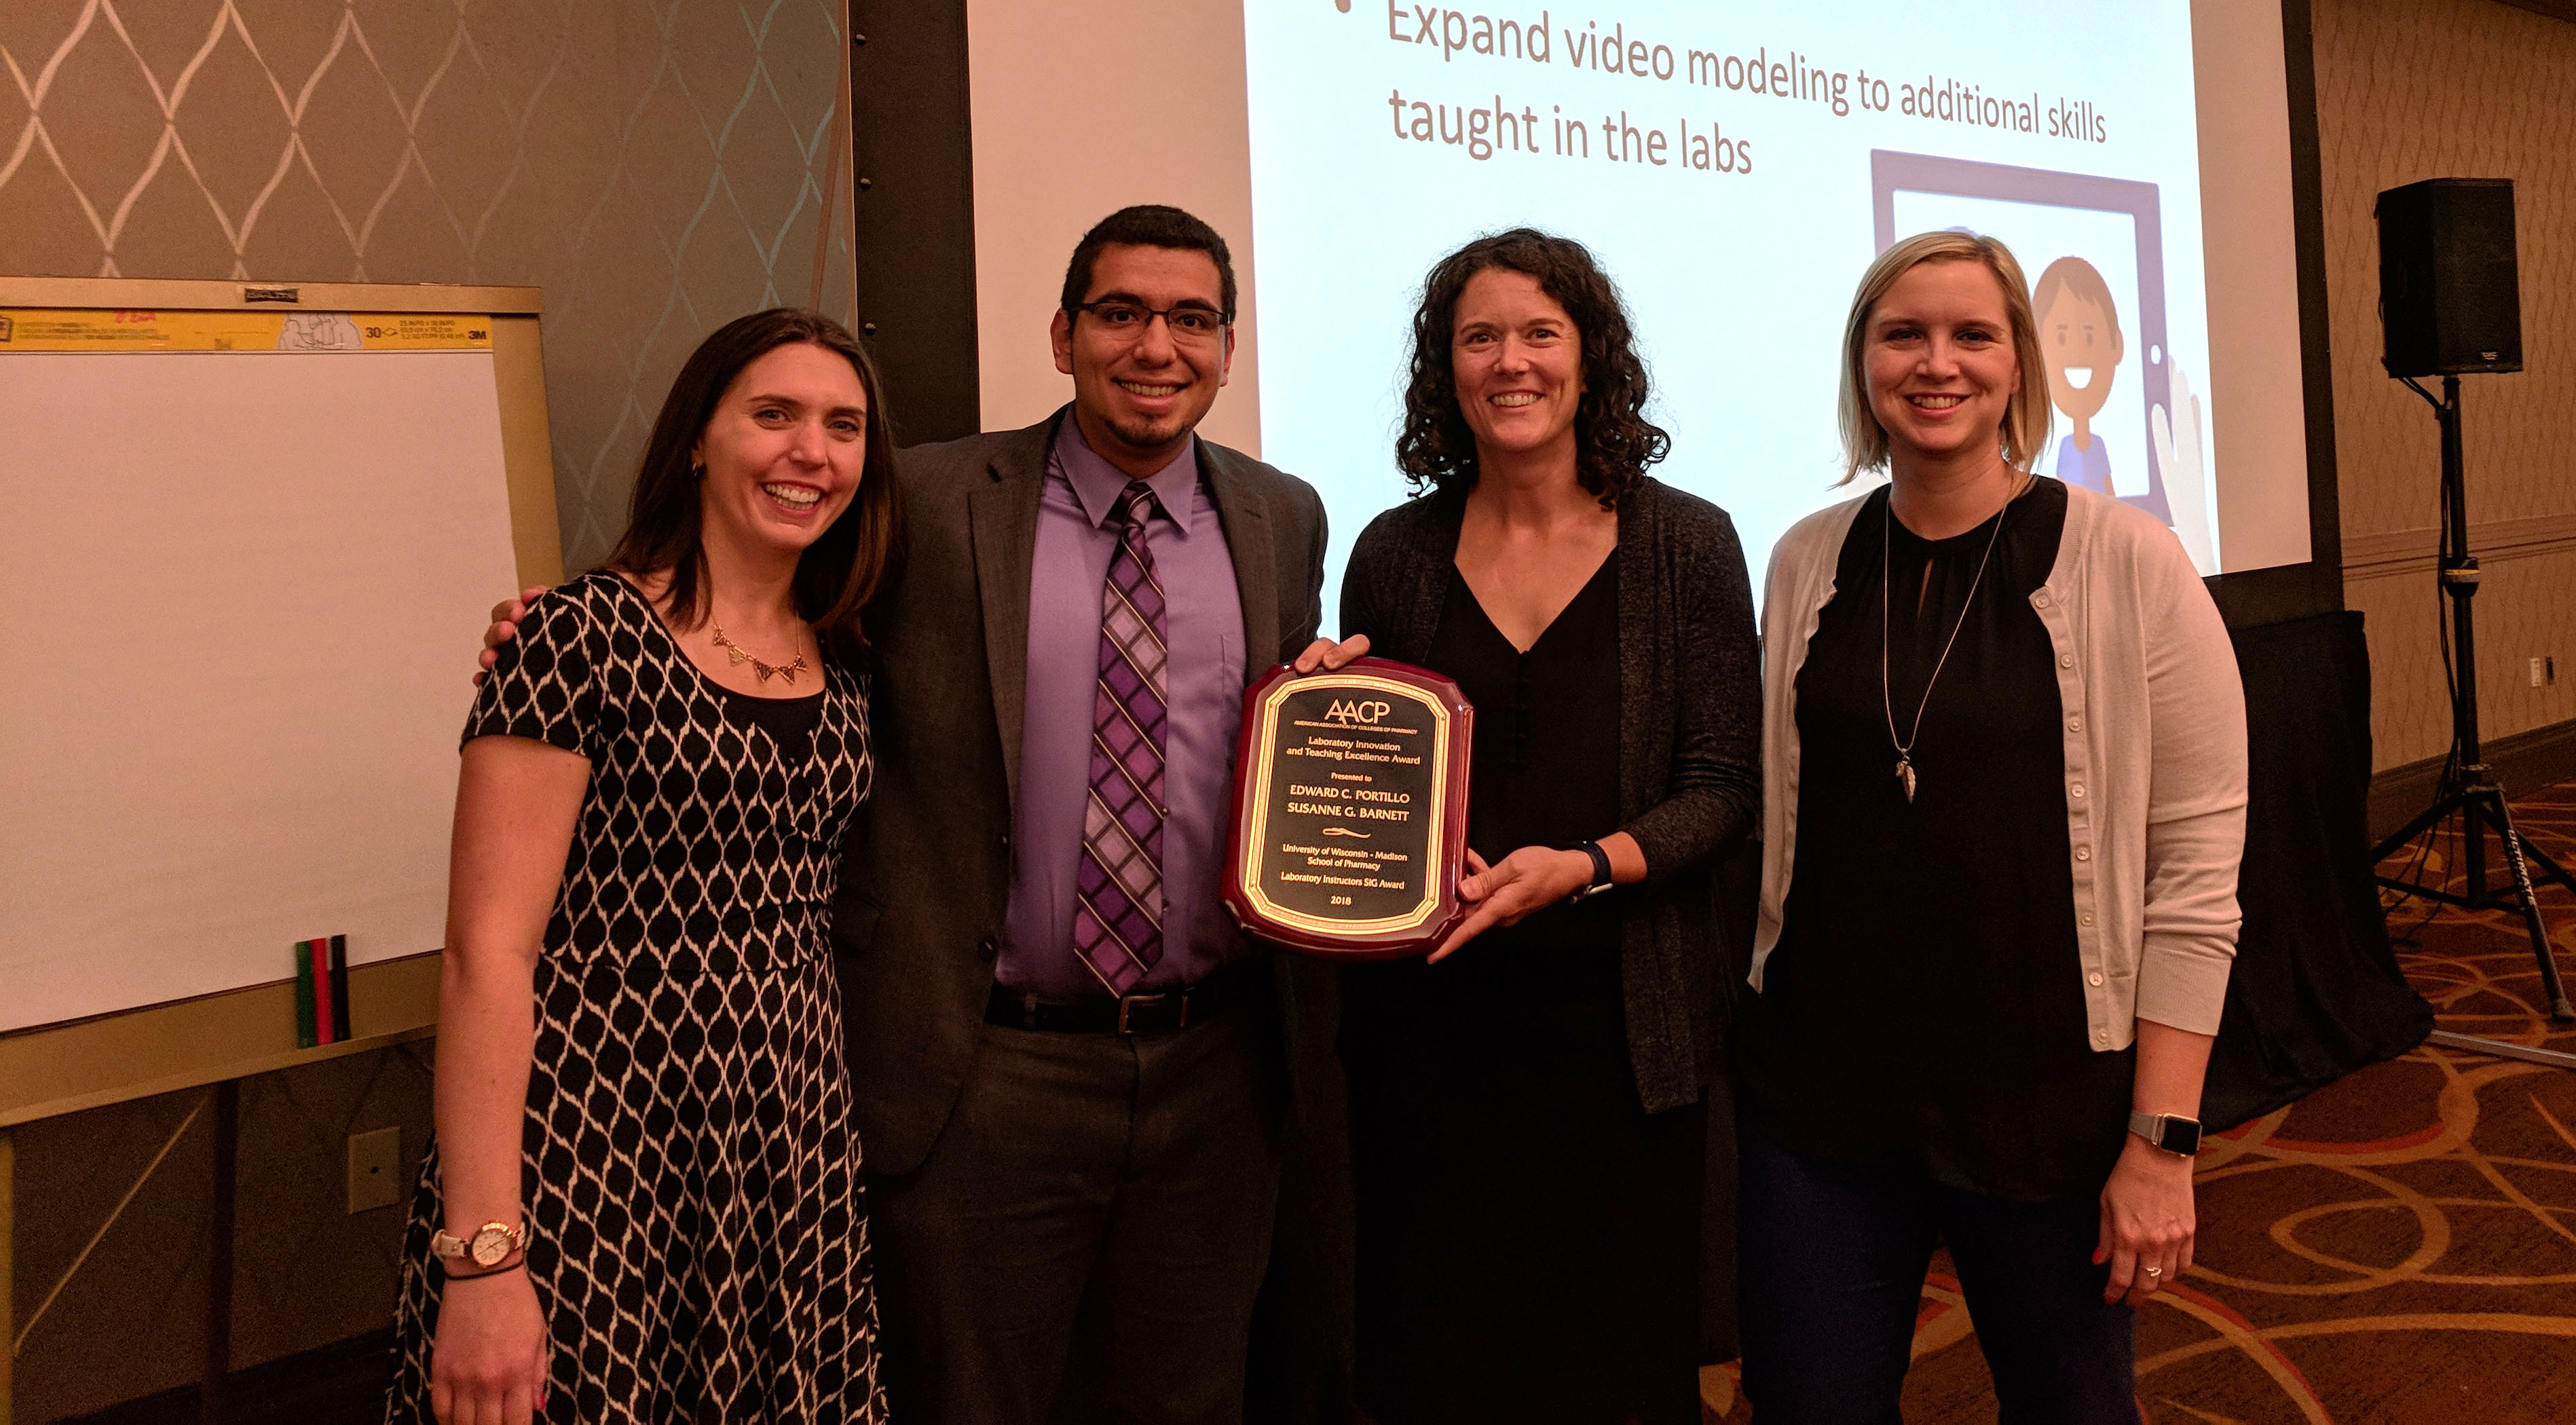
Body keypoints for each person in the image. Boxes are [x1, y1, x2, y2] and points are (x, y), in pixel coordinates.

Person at [479, 206, 1359, 1423]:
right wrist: (569, 617)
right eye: (1119, 313)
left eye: (1191, 319)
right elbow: (749, 599)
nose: (1155, 345)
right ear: (1062, 335)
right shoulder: (929, 499)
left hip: (1216, 1073)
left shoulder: (1283, 516)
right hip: (981, 1073)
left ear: (1225, 346)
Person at [1732, 229, 2248, 1423]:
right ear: (1861, 362)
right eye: (1900, 334)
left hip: (2045, 1111)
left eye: (1972, 334)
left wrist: (2161, 1142)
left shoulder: (2128, 560)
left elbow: (2194, 878)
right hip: (1822, 1103)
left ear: (2018, 363)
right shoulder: (1806, 559)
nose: (1935, 363)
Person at [394, 309, 899, 1422]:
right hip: (593, 1147)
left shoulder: (854, 654)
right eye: (772, 415)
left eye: (842, 425)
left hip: (790, 1152)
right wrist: (482, 1258)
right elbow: (489, 952)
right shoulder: (578, 636)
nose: (809, 452)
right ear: (696, 439)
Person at [1334, 229, 1762, 1424]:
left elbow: (1727, 786)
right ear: (1445, 368)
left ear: (1589, 359)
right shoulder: (1393, 552)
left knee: (1612, 1370)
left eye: (1538, 333)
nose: (1508, 361)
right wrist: (1315, 709)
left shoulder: (1684, 543)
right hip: (1428, 1036)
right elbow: (1371, 788)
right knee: (1437, 1359)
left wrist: (1581, 868)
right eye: (1479, 337)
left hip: (1620, 1045)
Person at [2033, 255, 2125, 497]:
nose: (2077, 352)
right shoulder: (2063, 447)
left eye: (2089, 337)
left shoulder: (2098, 446)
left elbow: (2108, 487)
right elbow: (2061, 484)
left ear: (2117, 346)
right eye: (2061, 338)